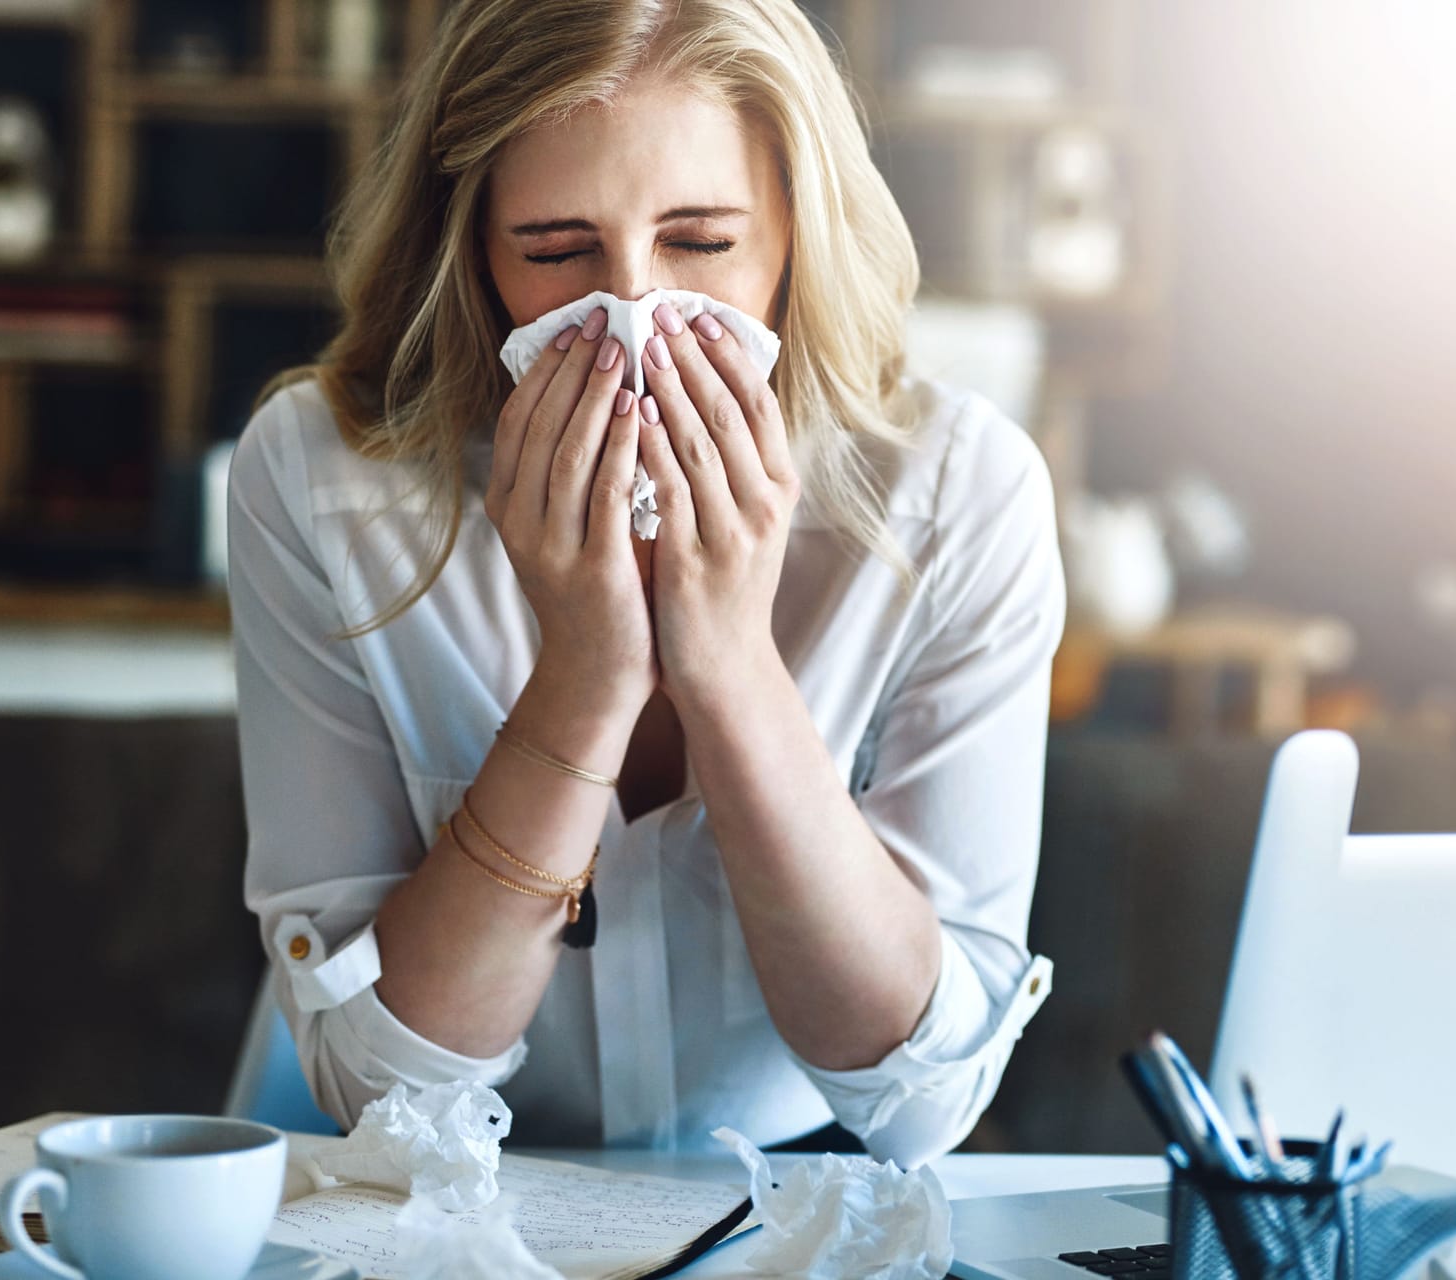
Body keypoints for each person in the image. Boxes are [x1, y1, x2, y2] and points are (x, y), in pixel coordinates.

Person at [230, 0, 1064, 1169]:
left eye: (702, 244)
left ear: (792, 235)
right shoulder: (322, 479)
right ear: (472, 252)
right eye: (559, 253)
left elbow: (922, 1099)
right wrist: (585, 677)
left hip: (805, 1199)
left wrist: (728, 665)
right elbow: (379, 1086)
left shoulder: (958, 495)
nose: (631, 321)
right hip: (443, 1199)